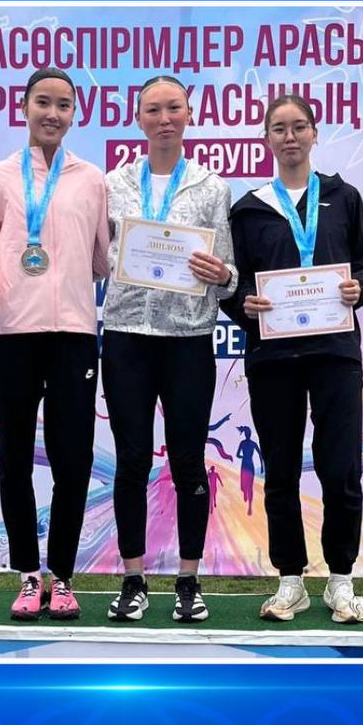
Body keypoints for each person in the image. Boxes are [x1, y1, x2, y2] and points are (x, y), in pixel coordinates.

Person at [221, 95, 363, 623]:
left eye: (299, 127)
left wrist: (359, 289)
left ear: (314, 133)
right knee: (281, 471)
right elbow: (233, 283)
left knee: (341, 469)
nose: (289, 137)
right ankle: (290, 580)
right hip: (273, 358)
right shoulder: (248, 209)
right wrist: (244, 303)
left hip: (335, 354)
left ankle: (341, 579)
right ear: (266, 138)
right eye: (279, 129)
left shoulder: (343, 197)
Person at [0, 68, 109, 621]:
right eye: (43, 102)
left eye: (63, 105)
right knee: (15, 459)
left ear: (75, 114)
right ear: (24, 108)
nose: (53, 113)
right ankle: (28, 574)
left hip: (74, 335)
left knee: (74, 461)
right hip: (12, 335)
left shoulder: (91, 180)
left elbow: (102, 260)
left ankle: (64, 576)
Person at [102, 75, 237, 624]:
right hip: (127, 337)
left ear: (189, 114)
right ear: (138, 119)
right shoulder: (112, 185)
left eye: (173, 108)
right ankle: (133, 580)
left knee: (187, 462)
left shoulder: (212, 188)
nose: (164, 119)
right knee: (131, 460)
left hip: (189, 341)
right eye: (153, 110)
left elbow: (228, 274)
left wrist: (221, 274)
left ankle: (188, 580)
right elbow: (97, 258)